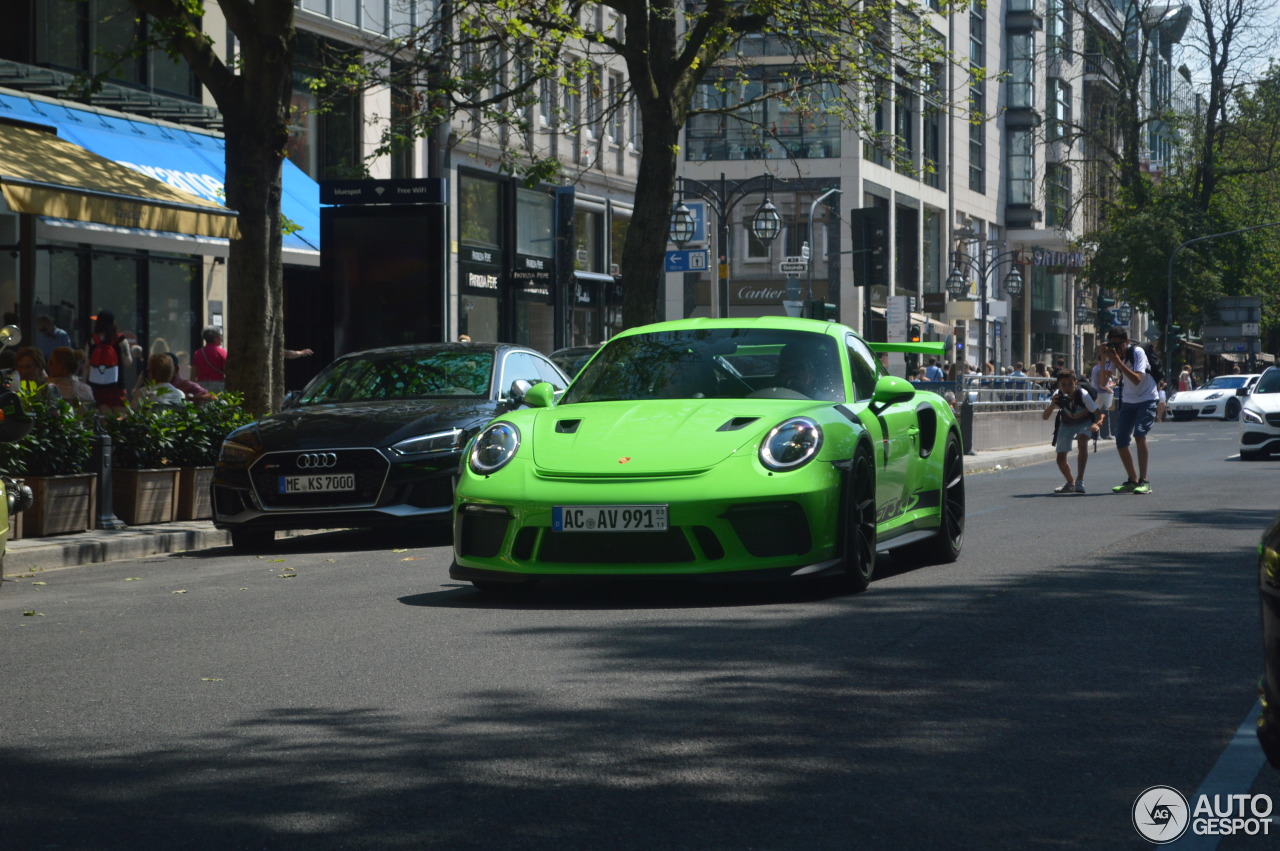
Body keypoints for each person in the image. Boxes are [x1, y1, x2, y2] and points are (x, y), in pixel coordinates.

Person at [1105, 326, 1159, 494]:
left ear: (1126, 342)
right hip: (1129, 400)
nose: (1115, 349)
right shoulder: (1114, 356)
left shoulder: (1136, 353)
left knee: (1139, 435)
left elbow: (1137, 379)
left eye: (1118, 345)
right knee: (1120, 439)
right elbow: (1104, 379)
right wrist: (1103, 358)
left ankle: (1145, 481)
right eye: (1111, 345)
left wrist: (1119, 363)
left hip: (1147, 398)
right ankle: (1132, 480)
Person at [1042, 369, 1103, 494]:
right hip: (1067, 423)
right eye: (1063, 384)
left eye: (1070, 384)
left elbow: (1099, 414)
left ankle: (1080, 480)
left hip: (1084, 422)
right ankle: (1071, 483)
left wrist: (1097, 424)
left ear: (1075, 382)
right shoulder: (1058, 395)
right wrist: (1053, 404)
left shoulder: (1083, 394)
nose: (1067, 387)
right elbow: (1045, 417)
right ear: (1059, 385)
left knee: (1082, 441)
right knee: (1060, 458)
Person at [84, 309, 133, 413]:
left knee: (101, 419)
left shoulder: (92, 339)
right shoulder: (120, 340)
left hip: (95, 386)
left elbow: (86, 364)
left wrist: (84, 383)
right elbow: (127, 362)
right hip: (116, 386)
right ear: (113, 323)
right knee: (120, 418)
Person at [1090, 346, 1115, 440]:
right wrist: (1110, 389)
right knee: (1104, 414)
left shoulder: (1095, 368)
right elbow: (1102, 384)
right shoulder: (1101, 369)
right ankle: (1103, 434)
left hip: (1098, 392)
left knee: (1099, 413)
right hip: (1102, 393)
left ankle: (1100, 434)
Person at [192, 325, 227, 392]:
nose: (221, 339)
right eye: (220, 336)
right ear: (215, 338)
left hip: (201, 384)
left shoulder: (197, 353)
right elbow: (227, 370)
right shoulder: (222, 352)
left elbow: (193, 374)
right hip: (218, 384)